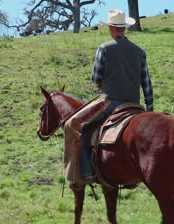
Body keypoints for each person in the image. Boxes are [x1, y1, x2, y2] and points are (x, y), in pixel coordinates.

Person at [63, 9, 154, 188]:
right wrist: (149, 111)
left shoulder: (104, 48)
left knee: (74, 125)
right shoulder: (140, 52)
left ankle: (85, 172)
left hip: (110, 102)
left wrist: (105, 87)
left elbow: (95, 79)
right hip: (135, 105)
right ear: (124, 29)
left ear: (111, 28)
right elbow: (147, 85)